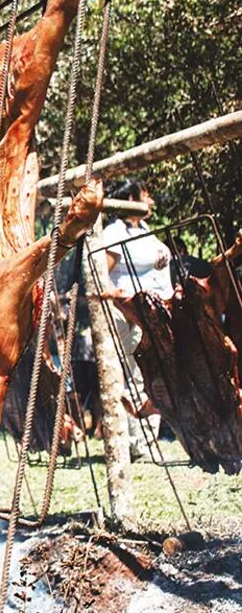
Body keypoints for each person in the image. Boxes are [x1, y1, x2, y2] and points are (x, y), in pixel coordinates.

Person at [99, 179, 170, 459]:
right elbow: (104, 272)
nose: (150, 201)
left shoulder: (146, 231)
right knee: (125, 372)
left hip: (149, 310)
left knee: (148, 371)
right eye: (145, 195)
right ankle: (129, 441)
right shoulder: (114, 232)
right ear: (130, 197)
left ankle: (148, 442)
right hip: (124, 310)